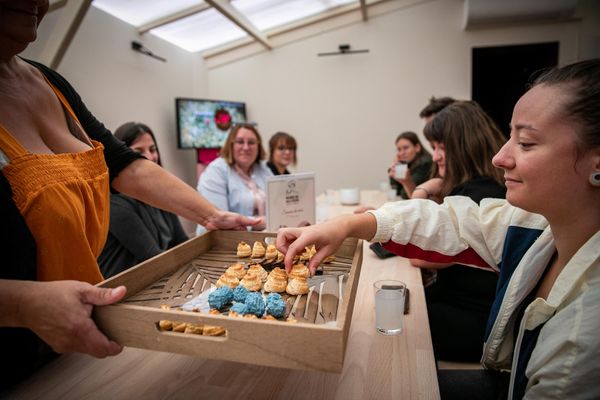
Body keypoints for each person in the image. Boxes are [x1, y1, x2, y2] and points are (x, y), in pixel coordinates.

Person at [277, 59, 600, 399]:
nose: (500, 158)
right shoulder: (534, 225)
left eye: (527, 143)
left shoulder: (583, 338)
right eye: (510, 138)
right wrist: (346, 225)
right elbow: (454, 223)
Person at [0, 1, 257, 391]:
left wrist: (212, 215)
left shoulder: (50, 81)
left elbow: (122, 165)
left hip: (76, 340)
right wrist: (22, 304)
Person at [408, 101, 507, 362]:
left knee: (390, 318)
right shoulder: (485, 187)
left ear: (465, 147)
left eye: (441, 148)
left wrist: (422, 190)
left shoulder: (476, 196)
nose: (436, 156)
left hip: (470, 322)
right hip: (467, 307)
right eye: (434, 148)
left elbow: (419, 253)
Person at [98, 122, 188, 278]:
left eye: (152, 150)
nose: (149, 157)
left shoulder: (160, 192)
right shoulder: (114, 203)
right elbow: (154, 258)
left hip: (160, 276)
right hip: (127, 290)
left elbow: (183, 243)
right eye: (138, 151)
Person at [196, 123, 273, 234]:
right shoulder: (215, 171)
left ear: (258, 146)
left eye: (251, 142)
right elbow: (219, 219)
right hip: (224, 241)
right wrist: (262, 222)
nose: (246, 147)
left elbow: (280, 204)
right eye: (240, 142)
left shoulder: (264, 169)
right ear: (231, 145)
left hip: (261, 237)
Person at [388, 131, 433, 199]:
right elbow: (396, 190)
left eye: (405, 148)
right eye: (399, 149)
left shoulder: (426, 163)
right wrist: (396, 167)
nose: (402, 153)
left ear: (417, 147)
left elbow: (405, 194)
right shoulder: (408, 163)